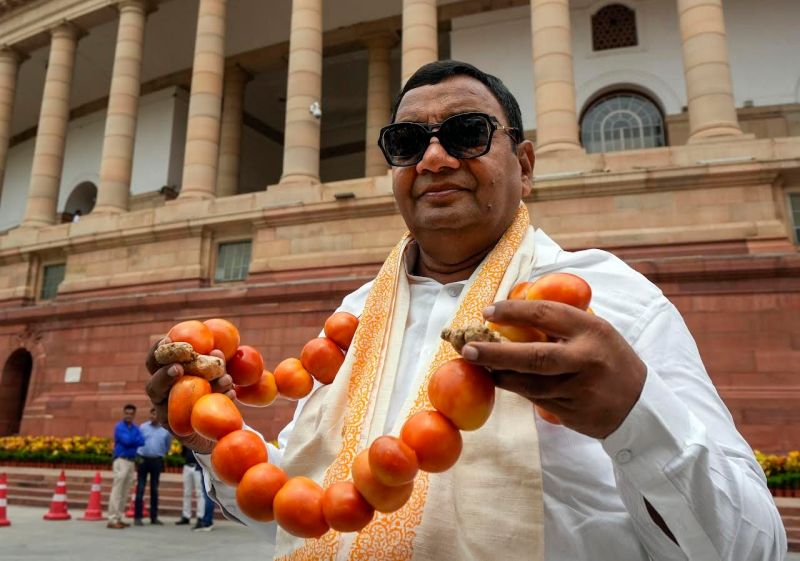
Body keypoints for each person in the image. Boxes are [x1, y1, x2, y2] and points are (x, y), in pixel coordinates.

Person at [145, 61, 787, 560]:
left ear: (525, 164)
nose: (433, 158)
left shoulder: (608, 302)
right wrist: (206, 438)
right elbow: (301, 509)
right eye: (407, 142)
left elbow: (753, 548)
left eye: (466, 133)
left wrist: (633, 415)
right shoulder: (357, 315)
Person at [106, 403, 143, 530]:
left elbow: (142, 441)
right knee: (117, 491)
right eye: (126, 413)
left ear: (134, 415)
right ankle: (112, 519)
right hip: (121, 460)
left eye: (131, 414)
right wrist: (134, 439)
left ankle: (119, 517)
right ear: (124, 413)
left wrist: (132, 440)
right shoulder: (119, 426)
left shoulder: (135, 427)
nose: (128, 416)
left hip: (131, 461)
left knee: (125, 491)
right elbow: (128, 441)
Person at [133, 407, 172, 526]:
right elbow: (137, 442)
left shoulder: (165, 430)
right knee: (140, 488)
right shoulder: (143, 427)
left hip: (156, 461)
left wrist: (160, 455)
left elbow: (167, 446)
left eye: (156, 414)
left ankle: (154, 517)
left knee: (154, 489)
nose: (153, 416)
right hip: (143, 460)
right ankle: (137, 517)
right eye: (152, 414)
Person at [175, 444, 203, 526]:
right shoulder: (187, 438)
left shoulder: (200, 438)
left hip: (198, 468)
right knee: (187, 493)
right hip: (187, 466)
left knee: (199, 493)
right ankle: (186, 516)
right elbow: (183, 452)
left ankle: (200, 516)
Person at [192, 466, 216, 532]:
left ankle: (207, 522)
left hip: (206, 468)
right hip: (206, 468)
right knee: (208, 495)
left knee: (208, 496)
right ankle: (207, 521)